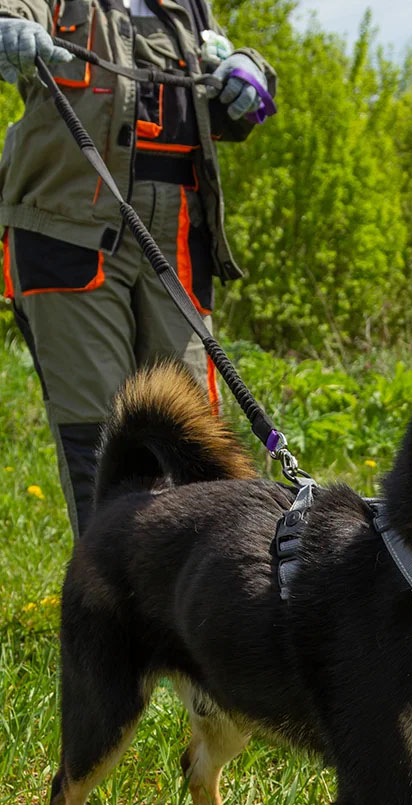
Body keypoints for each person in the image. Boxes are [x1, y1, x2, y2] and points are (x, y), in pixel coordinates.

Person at [0, 0, 275, 535]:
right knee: (97, 433)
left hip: (177, 236)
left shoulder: (187, 6)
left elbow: (225, 91)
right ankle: (106, 601)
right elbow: (16, 9)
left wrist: (248, 69)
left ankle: (197, 600)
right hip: (67, 227)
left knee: (194, 432)